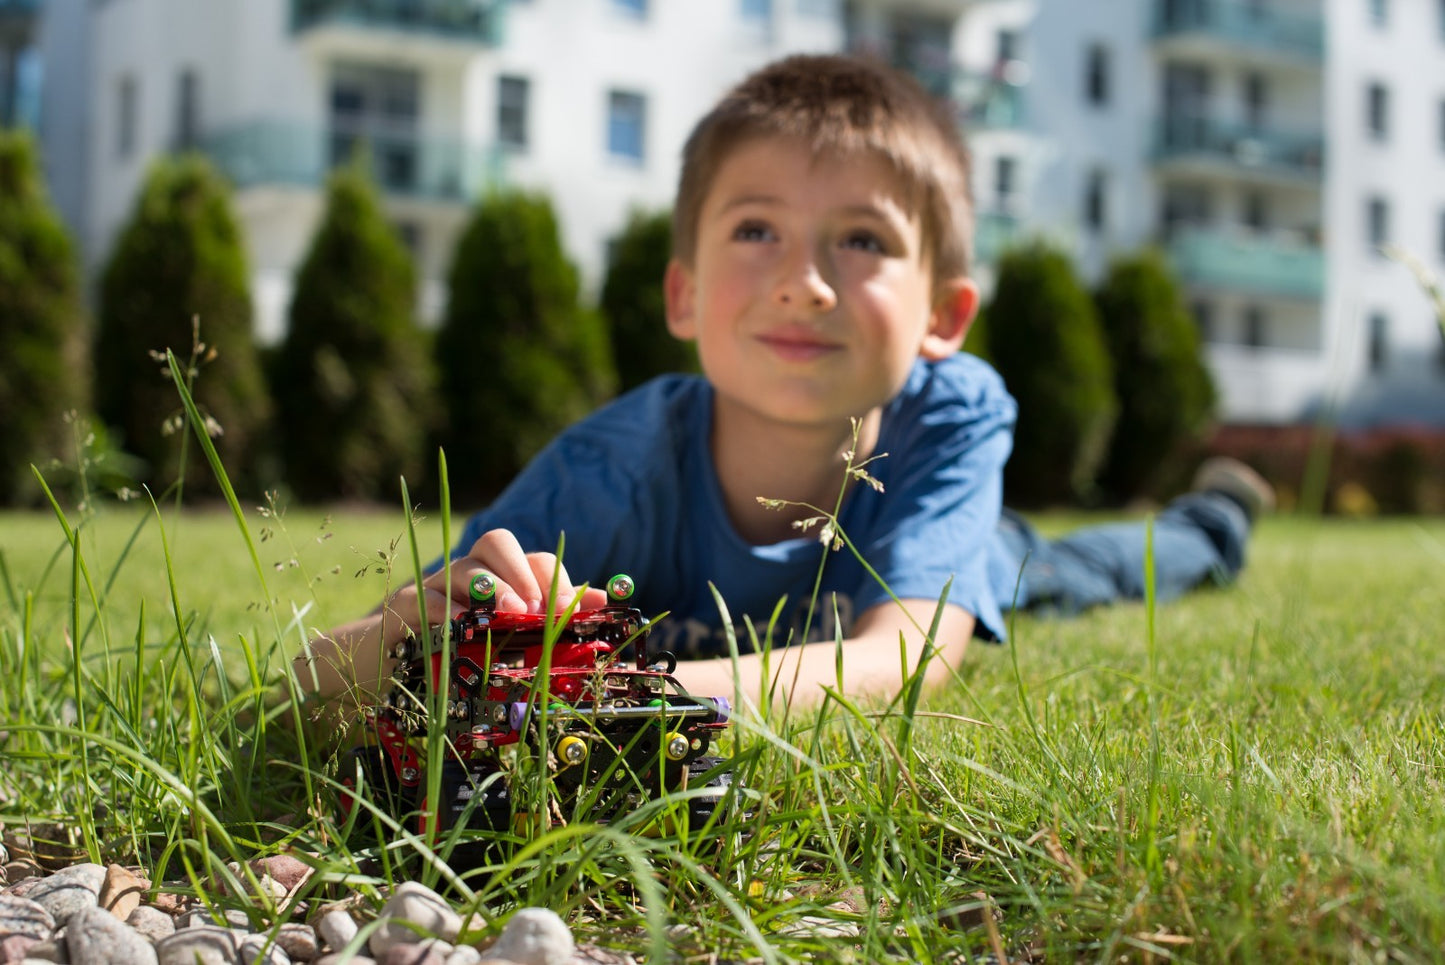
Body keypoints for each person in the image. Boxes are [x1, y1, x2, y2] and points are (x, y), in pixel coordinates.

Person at [297, 54, 1270, 711]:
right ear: (681, 294)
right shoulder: (610, 469)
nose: (802, 285)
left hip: (941, 544)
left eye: (860, 239)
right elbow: (321, 672)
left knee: (1074, 573)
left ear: (943, 317)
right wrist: (405, 632)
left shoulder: (952, 413)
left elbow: (905, 657)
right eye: (754, 229)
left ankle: (1208, 527)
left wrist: (639, 702)